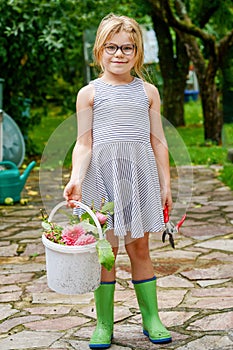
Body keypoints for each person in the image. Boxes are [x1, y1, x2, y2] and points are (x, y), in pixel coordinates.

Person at [63, 13, 172, 349]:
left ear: (137, 52)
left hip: (138, 178)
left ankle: (151, 318)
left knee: (139, 246)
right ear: (100, 50)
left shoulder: (148, 92)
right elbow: (84, 143)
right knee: (105, 252)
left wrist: (166, 184)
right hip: (102, 179)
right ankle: (104, 324)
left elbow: (158, 142)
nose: (119, 54)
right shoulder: (89, 93)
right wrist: (76, 179)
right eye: (112, 47)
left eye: (127, 48)